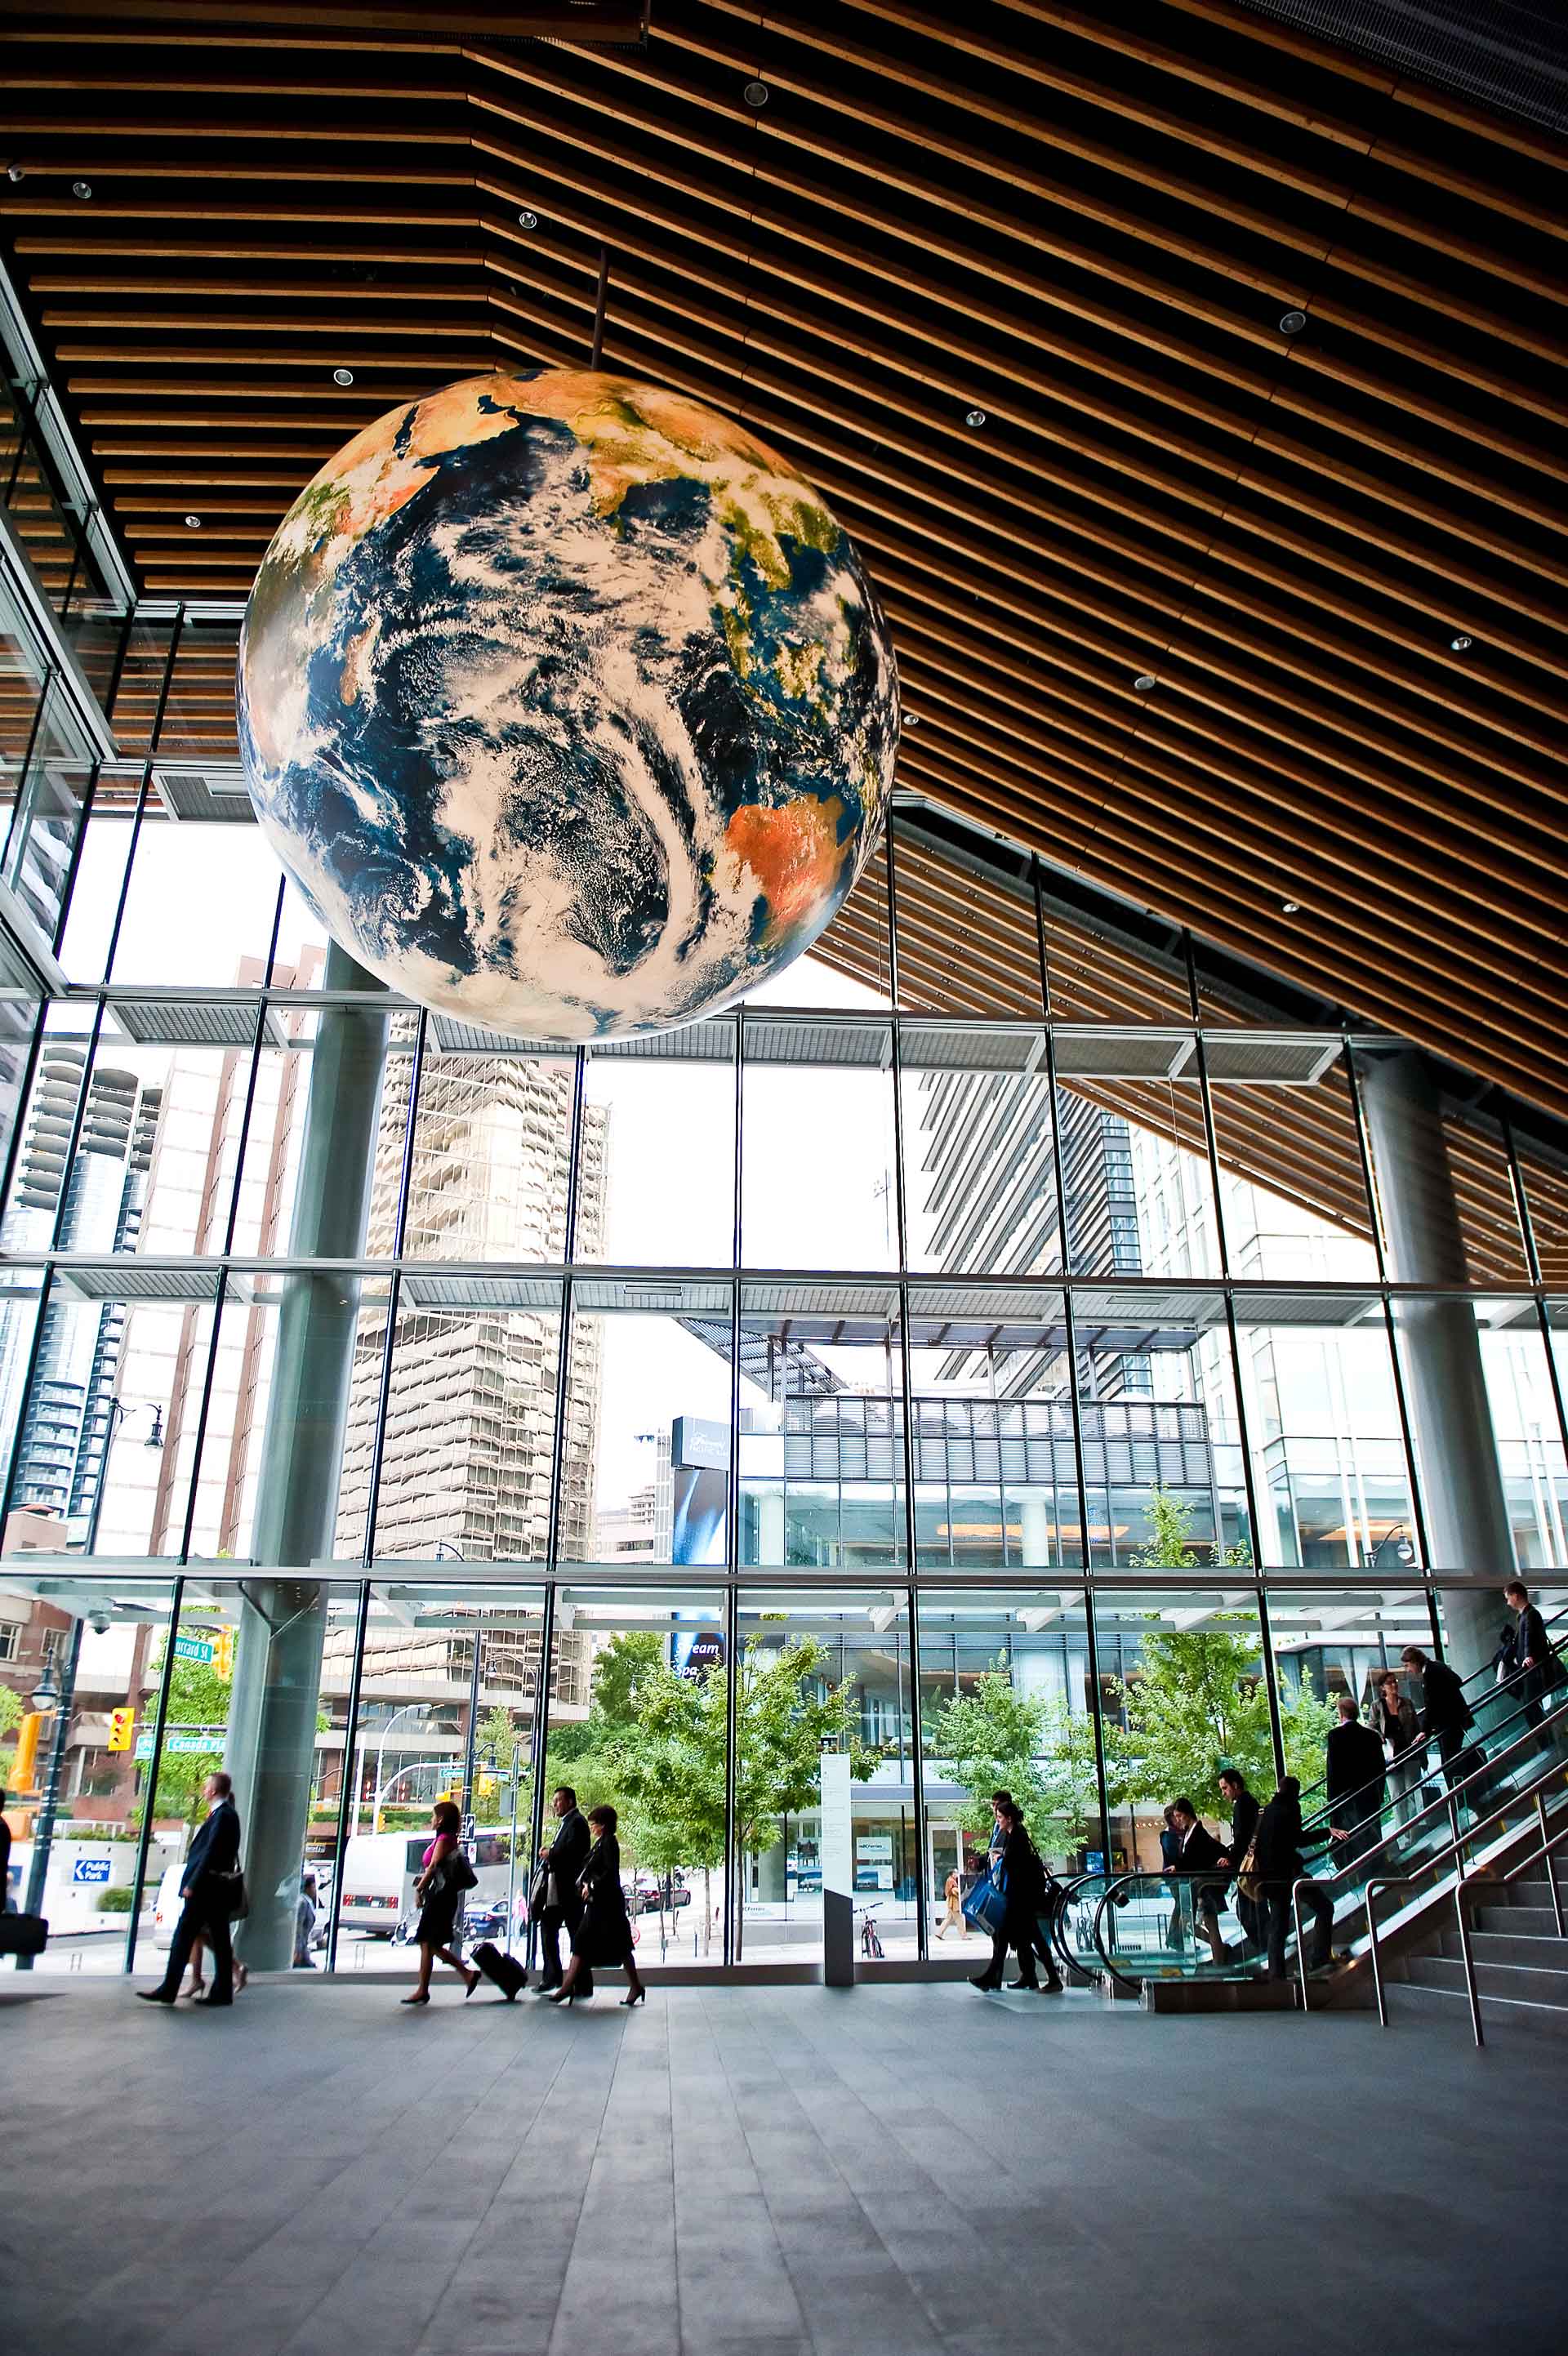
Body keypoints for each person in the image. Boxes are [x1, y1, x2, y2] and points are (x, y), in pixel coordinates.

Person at [137, 1770, 243, 2008]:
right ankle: (220, 1991)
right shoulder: (225, 1815)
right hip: (214, 1888)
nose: (204, 1790)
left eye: (206, 1787)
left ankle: (170, 1988)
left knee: (184, 1936)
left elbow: (211, 1852)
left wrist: (192, 1884)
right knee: (219, 1940)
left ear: (213, 1791)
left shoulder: (222, 1816)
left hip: (207, 1888)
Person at [548, 1804, 645, 2007]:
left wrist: (590, 1886)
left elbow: (610, 1872)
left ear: (603, 1825)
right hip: (603, 1904)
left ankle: (567, 1988)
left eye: (594, 1824)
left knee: (585, 1942)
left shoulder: (608, 1843)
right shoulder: (602, 1843)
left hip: (605, 1905)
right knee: (617, 1945)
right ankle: (635, 1986)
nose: (592, 1828)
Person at [970, 1800, 1062, 1993]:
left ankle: (994, 1978)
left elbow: (1016, 1866)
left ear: (1009, 1818)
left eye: (1000, 1817)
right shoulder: (1016, 1835)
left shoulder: (1017, 1837)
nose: (998, 1820)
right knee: (1024, 1938)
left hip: (1020, 1899)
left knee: (1017, 1937)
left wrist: (1000, 1859)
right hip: (1019, 1898)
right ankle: (998, 1978)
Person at [1252, 1775, 1334, 1983]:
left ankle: (1276, 1972)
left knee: (1277, 1925)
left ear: (1279, 1788)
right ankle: (1320, 1958)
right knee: (1325, 1907)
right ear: (1295, 1793)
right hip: (1290, 1875)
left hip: (1270, 1878)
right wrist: (1327, 1831)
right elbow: (1299, 1839)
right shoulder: (1291, 1809)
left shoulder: (1265, 1811)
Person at [400, 1800, 479, 2006]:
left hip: (440, 1899)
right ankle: (425, 1989)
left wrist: (419, 1890)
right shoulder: (446, 1839)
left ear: (441, 1819)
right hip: (440, 1897)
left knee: (429, 1943)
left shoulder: (445, 1839)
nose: (432, 1820)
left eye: (434, 1816)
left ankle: (465, 1974)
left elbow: (433, 1866)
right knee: (427, 1944)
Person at [533, 1783, 591, 1994]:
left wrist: (552, 1854)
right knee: (552, 1929)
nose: (554, 1804)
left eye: (558, 1800)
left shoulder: (576, 1823)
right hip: (561, 1891)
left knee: (573, 1934)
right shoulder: (569, 1822)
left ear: (570, 1801)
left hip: (568, 1891)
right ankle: (559, 1978)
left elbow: (574, 1853)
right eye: (554, 1801)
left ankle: (573, 1981)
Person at [1401, 1645, 1481, 1799]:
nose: (1408, 1669)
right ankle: (1463, 1796)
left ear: (1414, 1661)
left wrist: (1424, 1730)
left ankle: (1461, 1797)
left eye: (1407, 1665)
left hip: (1449, 1724)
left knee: (1449, 1764)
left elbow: (1433, 1704)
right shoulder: (1437, 1666)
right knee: (1451, 1761)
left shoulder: (1430, 1673)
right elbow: (1457, 1681)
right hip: (1454, 1721)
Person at [1165, 1797, 1230, 1968]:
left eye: (1179, 1816)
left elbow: (1197, 1858)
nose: (1177, 1820)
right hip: (1199, 1886)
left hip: (1205, 1887)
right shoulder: (1189, 1832)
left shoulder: (1197, 1833)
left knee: (1210, 1923)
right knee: (1202, 1923)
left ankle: (1219, 1962)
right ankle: (1220, 1955)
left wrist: (1226, 1859)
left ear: (1187, 1814)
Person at [1325, 1694, 1388, 1868]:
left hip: (1346, 1798)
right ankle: (1376, 1868)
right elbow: (1380, 1768)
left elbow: (1333, 1769)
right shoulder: (1372, 1736)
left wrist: (1332, 1800)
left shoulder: (1335, 1735)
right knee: (1371, 1833)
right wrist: (1379, 1793)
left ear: (1341, 1714)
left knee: (1349, 1835)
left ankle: (1352, 1870)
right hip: (1369, 1794)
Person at [1369, 1670, 1425, 1828]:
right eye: (1390, 1683)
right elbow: (1371, 1727)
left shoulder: (1406, 1703)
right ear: (1382, 1688)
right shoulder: (1377, 1706)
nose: (1394, 1685)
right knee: (1397, 1796)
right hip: (1391, 1756)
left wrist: (1423, 1756)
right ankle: (1403, 1837)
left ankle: (1416, 1830)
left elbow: (1416, 1727)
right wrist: (1379, 1736)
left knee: (1413, 1793)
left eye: (1395, 1681)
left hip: (1410, 1752)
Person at [1218, 1768, 1263, 1951]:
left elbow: (1241, 1838)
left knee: (1247, 1912)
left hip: (1248, 1867)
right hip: (1252, 1863)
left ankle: (1264, 1949)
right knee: (1254, 1910)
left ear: (1235, 1785)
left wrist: (1230, 1858)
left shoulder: (1241, 1804)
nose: (1224, 1793)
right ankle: (1266, 1950)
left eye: (1225, 1788)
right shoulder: (1249, 1802)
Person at [1504, 1581, 1559, 1731]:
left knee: (1530, 1704)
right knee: (1530, 1705)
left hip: (1533, 1668)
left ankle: (1546, 1739)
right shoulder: (1523, 1615)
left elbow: (1529, 1636)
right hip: (1530, 1668)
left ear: (1516, 1596)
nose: (1508, 1603)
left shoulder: (1531, 1614)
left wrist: (1528, 1656)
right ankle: (1544, 1738)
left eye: (1508, 1598)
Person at [1158, 1803, 1187, 1951]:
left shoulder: (1178, 1833)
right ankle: (1175, 1938)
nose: (1178, 1820)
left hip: (1178, 1876)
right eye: (1175, 1817)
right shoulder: (1168, 1835)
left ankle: (1176, 1938)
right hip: (1174, 1877)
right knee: (1181, 1905)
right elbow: (1174, 1855)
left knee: (1181, 1905)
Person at [933, 1868, 966, 1940]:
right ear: (953, 1874)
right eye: (956, 1873)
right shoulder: (951, 1881)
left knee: (948, 1919)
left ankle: (939, 1933)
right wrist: (960, 1893)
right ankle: (964, 1935)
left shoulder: (951, 1880)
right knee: (959, 1919)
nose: (957, 1874)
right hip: (953, 1902)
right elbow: (953, 1891)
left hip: (952, 1902)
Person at [294, 1872, 318, 1969]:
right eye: (313, 1887)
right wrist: (298, 1950)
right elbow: (298, 1926)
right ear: (307, 1888)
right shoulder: (303, 1902)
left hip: (303, 1943)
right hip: (300, 1945)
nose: (315, 1890)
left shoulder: (307, 1901)